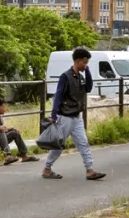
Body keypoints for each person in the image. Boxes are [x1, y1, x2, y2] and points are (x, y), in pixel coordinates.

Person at [43, 47, 105, 181]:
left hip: (77, 116)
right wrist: (54, 115)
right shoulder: (65, 77)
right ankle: (47, 168)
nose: (86, 65)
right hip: (65, 116)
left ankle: (90, 170)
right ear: (77, 61)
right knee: (59, 145)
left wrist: (87, 72)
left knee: (83, 143)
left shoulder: (81, 77)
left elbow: (88, 88)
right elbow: (58, 95)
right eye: (84, 63)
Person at [0, 97, 39, 165]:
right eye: (4, 107)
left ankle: (24, 156)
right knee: (1, 131)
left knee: (15, 133)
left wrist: (12, 129)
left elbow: (2, 129)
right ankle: (7, 156)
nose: (5, 109)